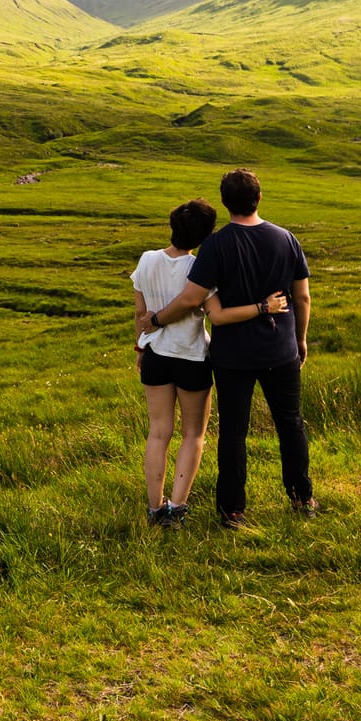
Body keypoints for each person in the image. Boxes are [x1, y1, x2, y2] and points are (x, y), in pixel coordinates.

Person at [138, 168, 313, 527]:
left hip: (232, 355)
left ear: (225, 201)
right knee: (290, 424)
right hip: (280, 349)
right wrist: (300, 339)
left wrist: (153, 322)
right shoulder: (287, 238)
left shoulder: (216, 245)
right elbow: (303, 296)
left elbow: (192, 298)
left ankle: (232, 510)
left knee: (233, 431)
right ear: (259, 197)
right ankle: (302, 498)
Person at [130, 198, 217, 527]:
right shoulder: (198, 268)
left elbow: (141, 316)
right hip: (192, 356)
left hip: (155, 354)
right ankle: (176, 508)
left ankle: (154, 508)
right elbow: (210, 310)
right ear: (205, 235)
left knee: (158, 433)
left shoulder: (147, 259)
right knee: (193, 434)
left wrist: (141, 349)